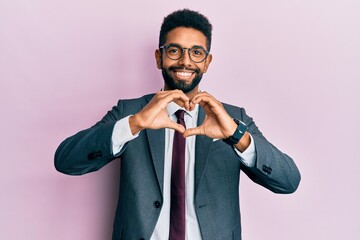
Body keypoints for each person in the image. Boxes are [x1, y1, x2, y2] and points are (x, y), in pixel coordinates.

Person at [55, 9, 301, 240]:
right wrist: (135, 124)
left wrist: (237, 136)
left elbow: (288, 181)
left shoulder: (232, 118)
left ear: (207, 62)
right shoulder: (130, 112)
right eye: (174, 51)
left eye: (196, 52)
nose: (185, 61)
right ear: (159, 57)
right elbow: (66, 161)